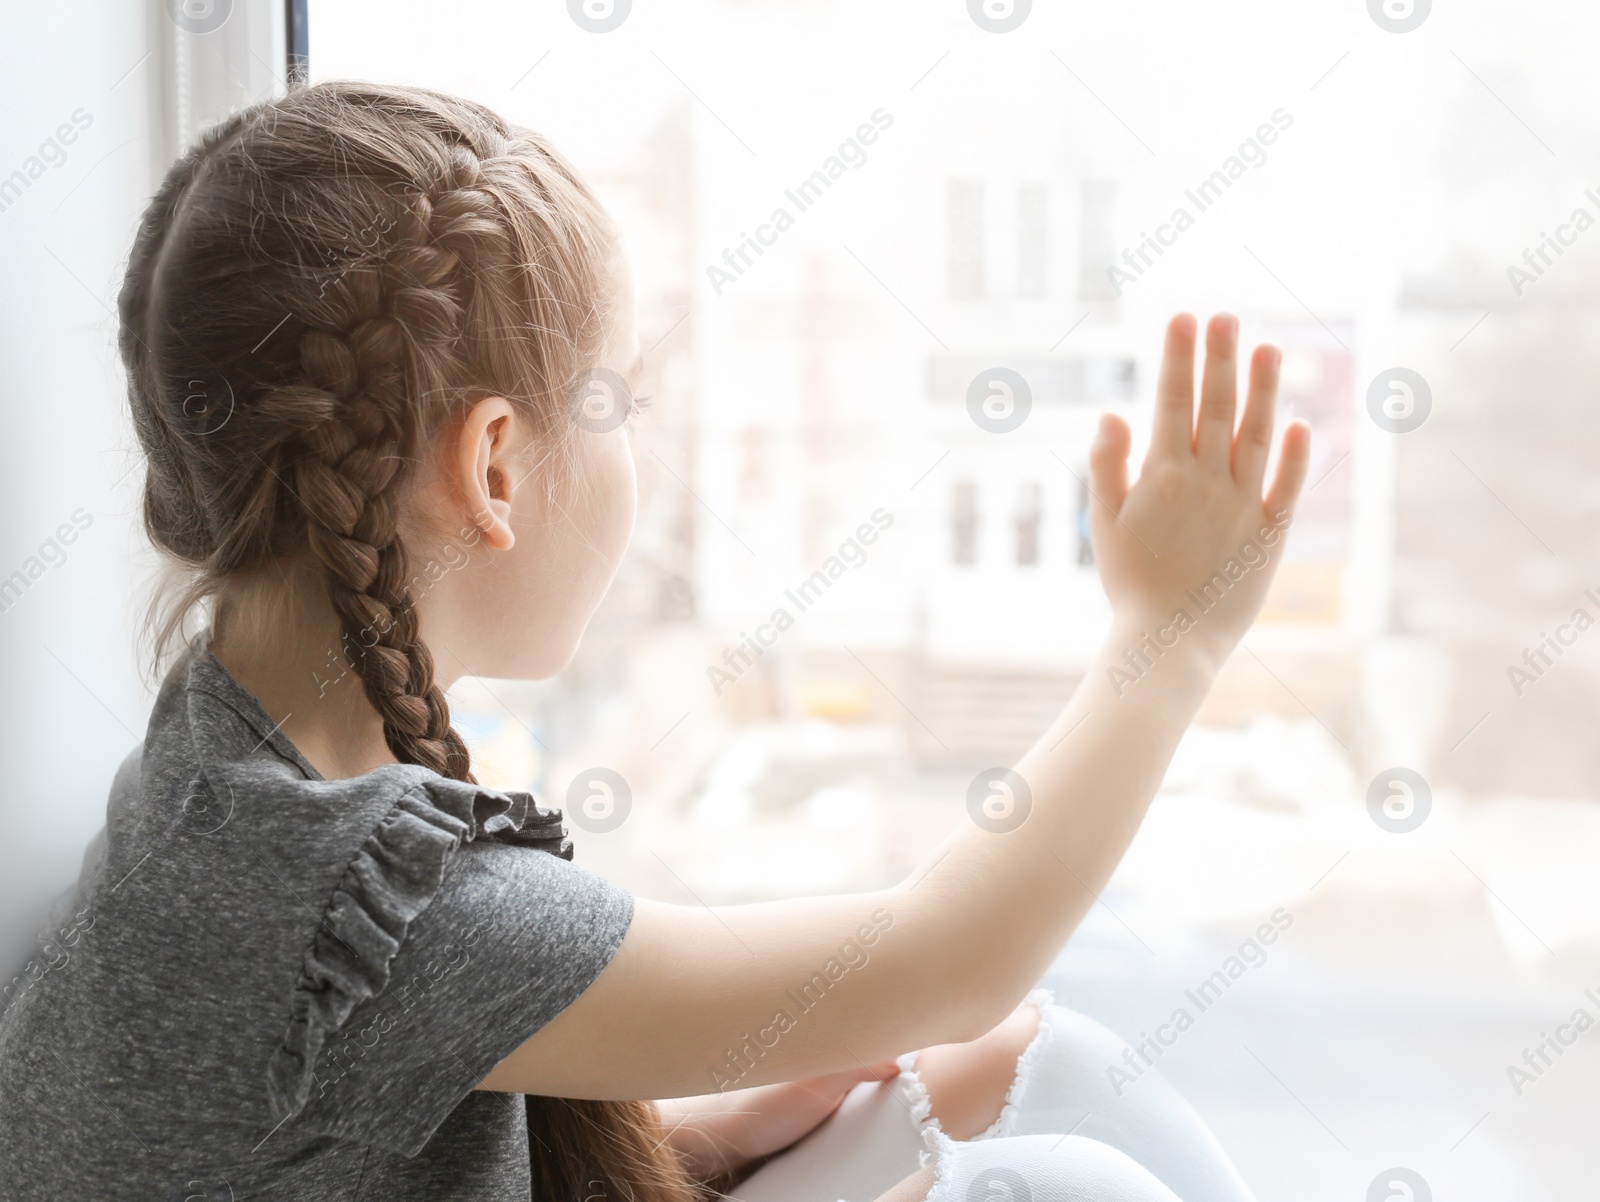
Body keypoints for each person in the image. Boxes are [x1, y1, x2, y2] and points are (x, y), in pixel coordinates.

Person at [0, 80, 1310, 1202]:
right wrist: (1171, 636)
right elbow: (951, 955)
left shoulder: (213, 759)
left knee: (1034, 1064)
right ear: (495, 468)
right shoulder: (371, 910)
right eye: (618, 401)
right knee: (1054, 1179)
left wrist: (701, 1139)